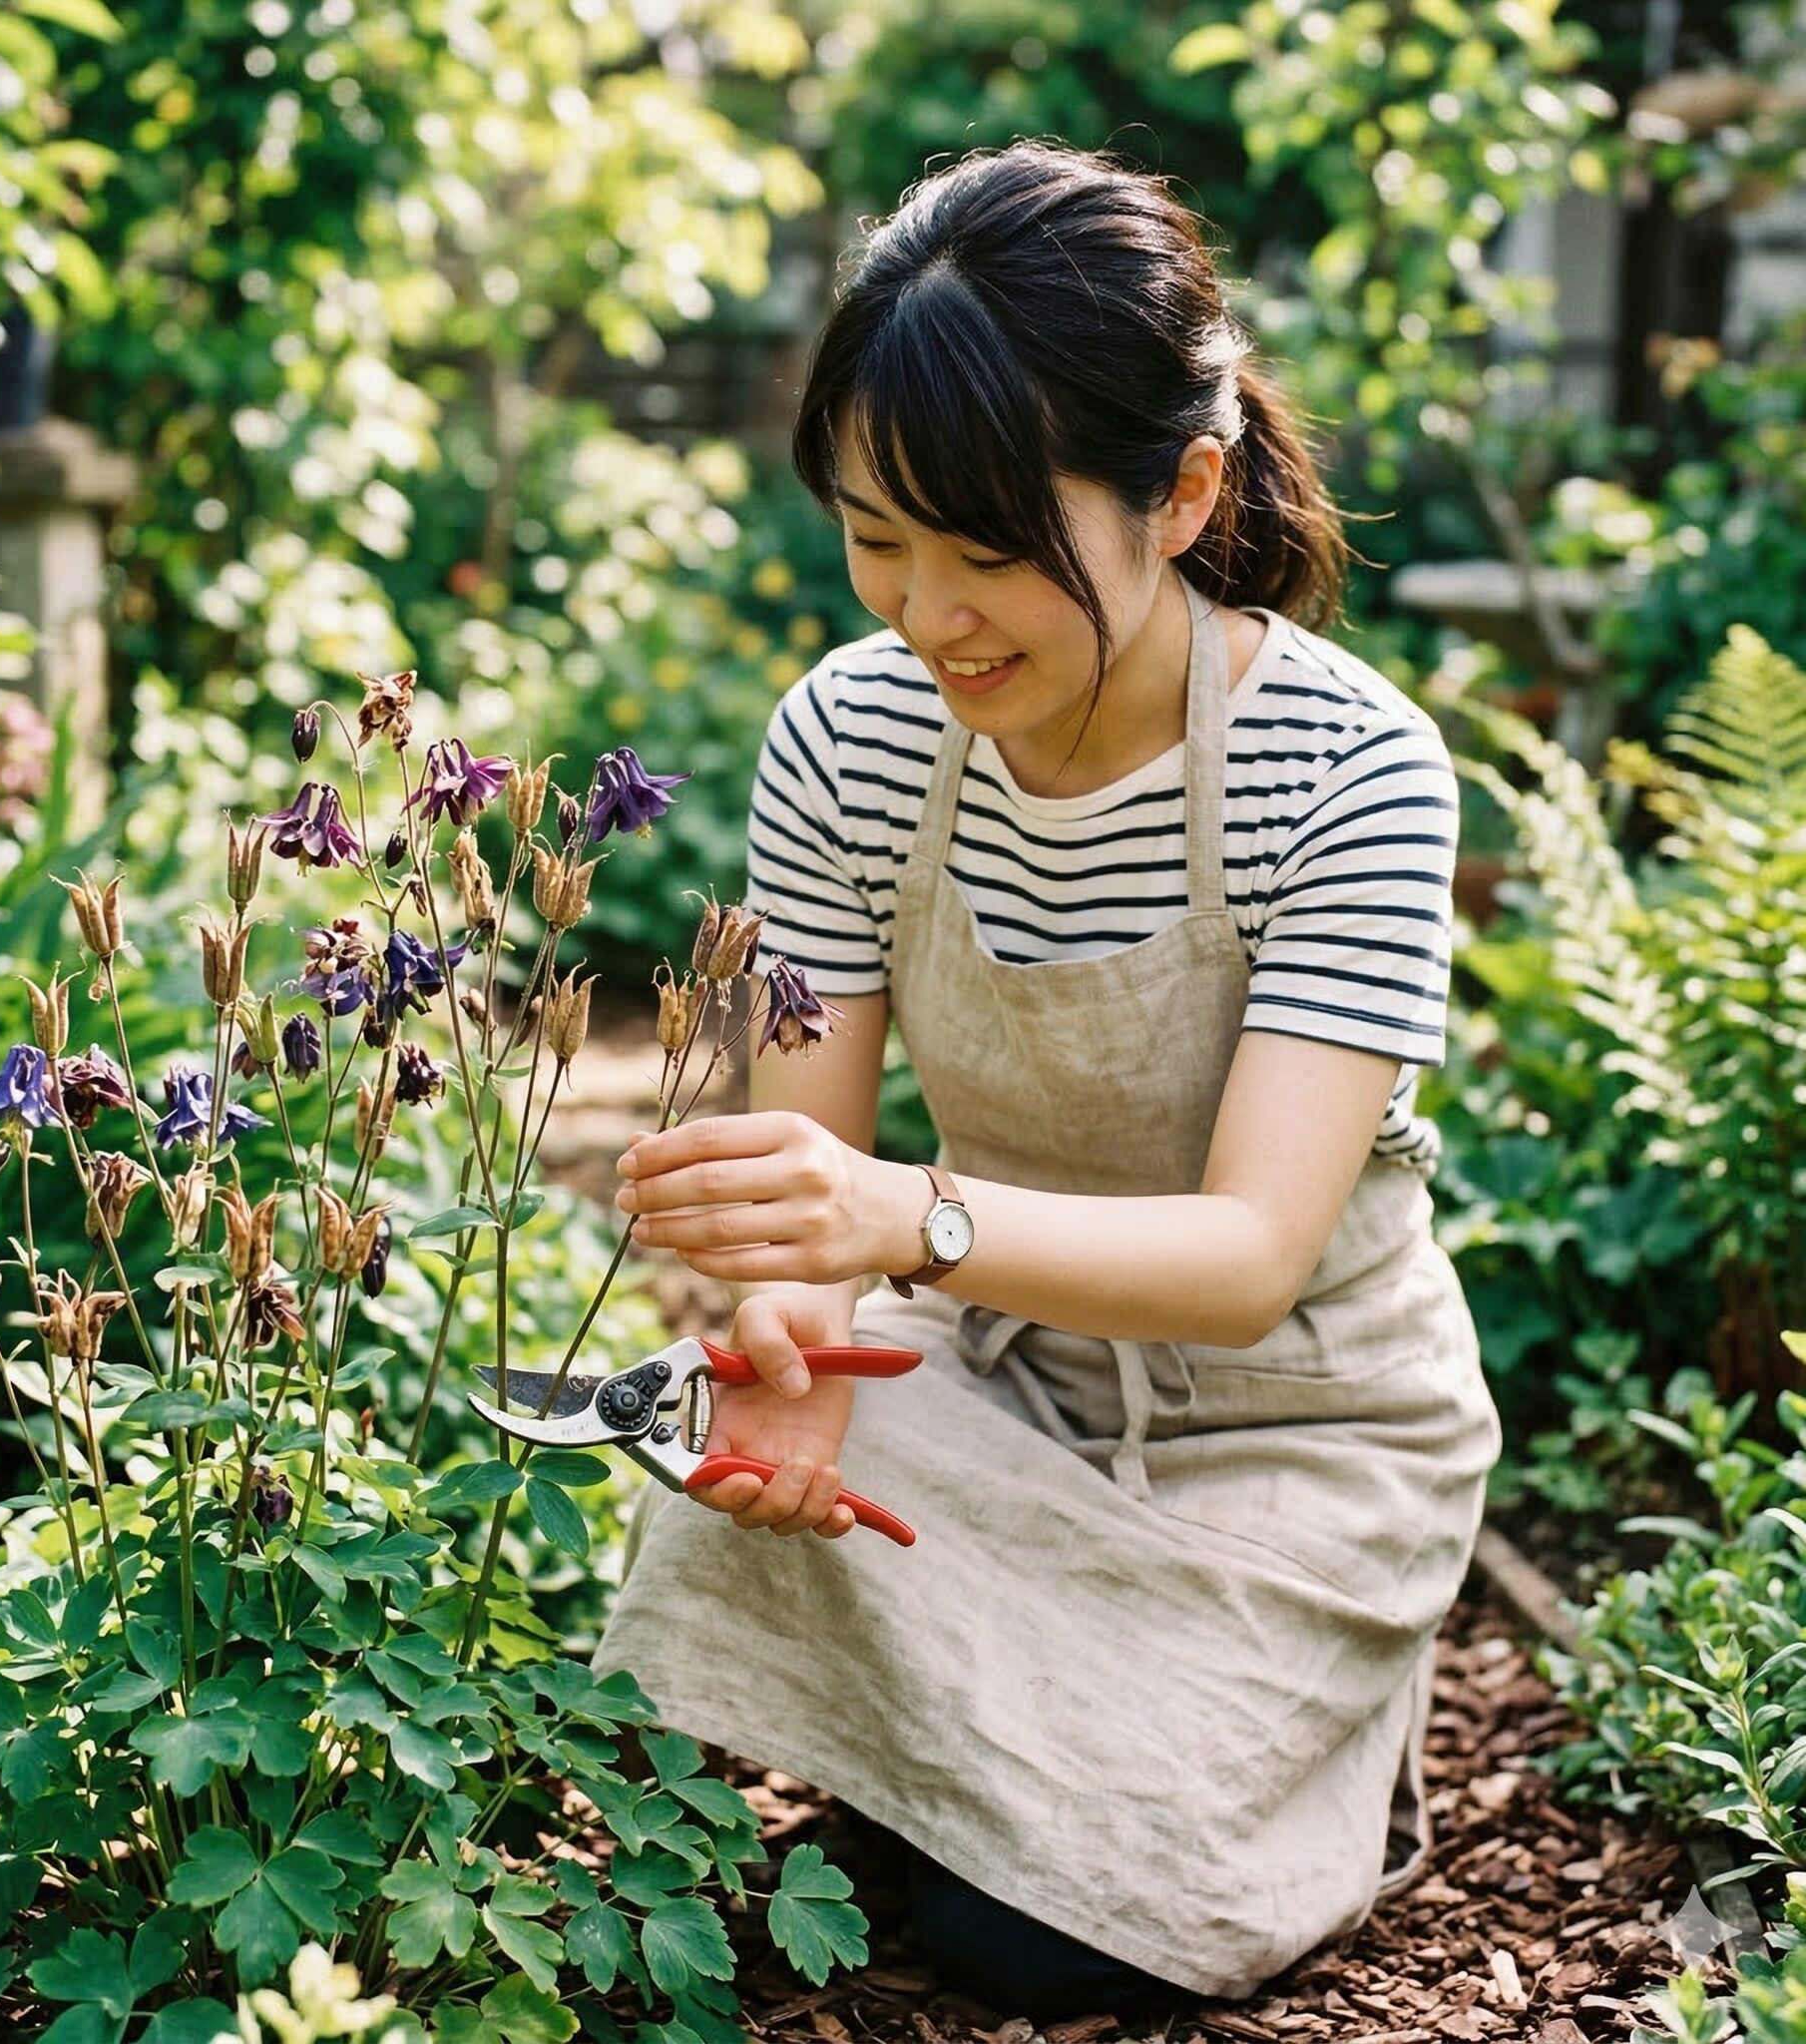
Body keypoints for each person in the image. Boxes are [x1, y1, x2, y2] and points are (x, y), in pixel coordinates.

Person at [589, 140, 1503, 2020]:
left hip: (1300, 1440)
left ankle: (1151, 1766)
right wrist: (792, 1348)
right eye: (876, 537)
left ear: (1182, 490)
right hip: (1002, 1393)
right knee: (695, 1411)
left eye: (992, 549)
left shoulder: (1348, 775)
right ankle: (982, 1765)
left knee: (1045, 1939)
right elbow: (806, 1171)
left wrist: (897, 1227)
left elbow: (1252, 1255)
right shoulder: (849, 737)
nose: (930, 616)